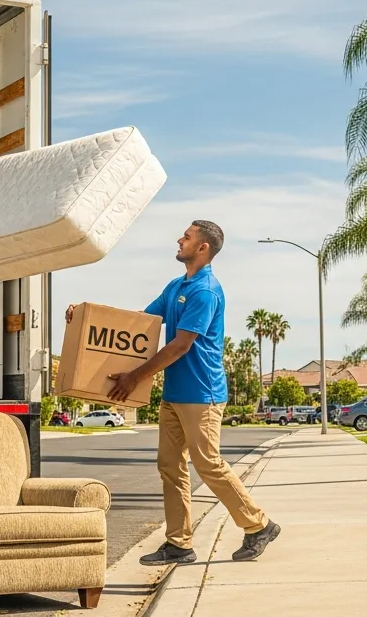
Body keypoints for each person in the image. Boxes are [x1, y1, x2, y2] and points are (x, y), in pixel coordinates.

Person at [66, 220, 281, 566]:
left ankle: (259, 525)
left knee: (209, 464)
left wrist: (134, 377)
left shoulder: (205, 291)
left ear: (202, 248)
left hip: (202, 394)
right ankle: (179, 543)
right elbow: (140, 324)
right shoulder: (176, 286)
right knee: (170, 466)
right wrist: (85, 316)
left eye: (187, 236)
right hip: (175, 394)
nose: (179, 239)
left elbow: (180, 345)